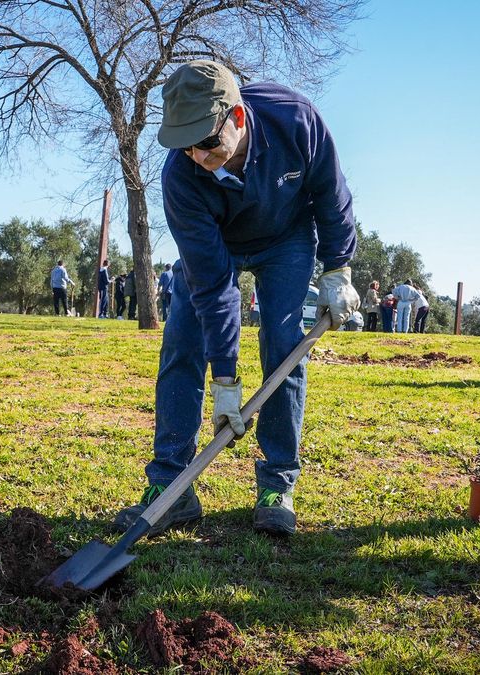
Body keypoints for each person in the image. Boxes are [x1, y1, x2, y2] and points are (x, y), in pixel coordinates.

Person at [113, 60, 360, 537]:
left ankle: (277, 483)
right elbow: (214, 286)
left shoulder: (296, 121)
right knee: (183, 343)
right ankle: (171, 488)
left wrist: (337, 269)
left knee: (284, 344)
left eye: (207, 142)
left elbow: (332, 194)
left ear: (238, 118)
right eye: (185, 146)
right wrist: (225, 378)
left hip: (285, 238)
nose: (199, 157)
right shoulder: (181, 178)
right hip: (218, 243)